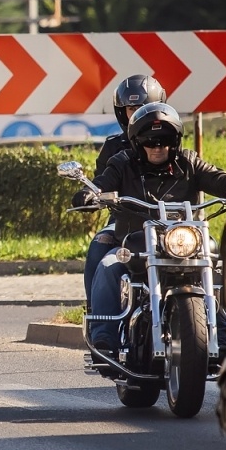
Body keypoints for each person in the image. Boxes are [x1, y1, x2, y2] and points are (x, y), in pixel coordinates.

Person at [81, 102, 226, 355]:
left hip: (186, 241)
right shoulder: (122, 162)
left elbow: (218, 178)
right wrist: (90, 194)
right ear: (136, 141)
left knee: (221, 266)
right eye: (149, 141)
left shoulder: (188, 162)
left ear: (175, 141)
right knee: (109, 266)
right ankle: (104, 340)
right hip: (136, 243)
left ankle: (220, 338)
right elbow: (101, 183)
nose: (157, 147)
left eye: (164, 141)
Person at [82, 75, 167, 299]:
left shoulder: (170, 140)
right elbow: (101, 182)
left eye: (144, 106)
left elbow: (199, 173)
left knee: (212, 256)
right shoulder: (114, 148)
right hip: (125, 220)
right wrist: (92, 194)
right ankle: (97, 317)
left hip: (170, 220)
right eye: (132, 108)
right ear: (123, 112)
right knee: (99, 247)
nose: (137, 113)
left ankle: (217, 329)